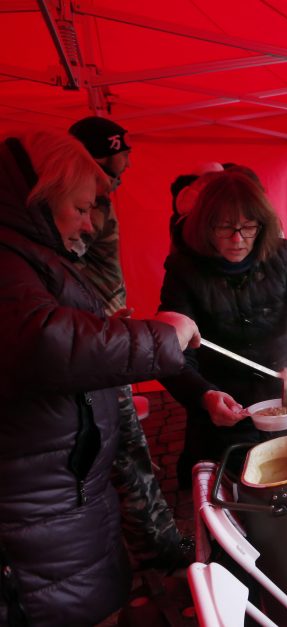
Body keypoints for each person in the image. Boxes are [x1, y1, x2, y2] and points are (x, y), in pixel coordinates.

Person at [0, 129, 198, 625]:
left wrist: (113, 332)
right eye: (81, 208)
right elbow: (42, 340)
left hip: (63, 496)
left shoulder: (29, 253)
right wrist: (158, 339)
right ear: (39, 198)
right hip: (35, 513)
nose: (91, 226)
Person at [158, 169, 287, 486]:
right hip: (226, 405)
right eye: (224, 228)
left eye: (247, 228)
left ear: (262, 224)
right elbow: (172, 351)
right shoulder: (184, 268)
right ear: (205, 226)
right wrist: (204, 395)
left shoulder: (282, 255)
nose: (237, 239)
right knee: (236, 496)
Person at [68, 116, 191, 572]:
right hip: (94, 342)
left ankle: (146, 540)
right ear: (108, 153)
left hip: (99, 333)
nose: (130, 161)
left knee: (123, 445)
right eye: (124, 152)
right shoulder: (85, 198)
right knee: (123, 446)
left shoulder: (96, 194)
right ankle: (153, 546)